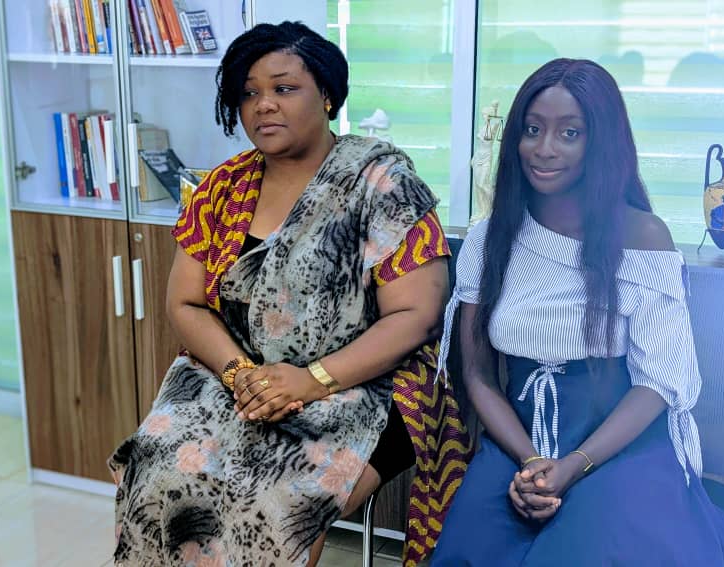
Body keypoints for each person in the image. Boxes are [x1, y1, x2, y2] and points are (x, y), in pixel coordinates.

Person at [108, 21, 471, 567]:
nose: (263, 105)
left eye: (284, 88)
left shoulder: (382, 183)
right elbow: (185, 302)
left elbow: (416, 316)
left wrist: (309, 379)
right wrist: (240, 375)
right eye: (248, 93)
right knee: (161, 470)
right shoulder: (222, 188)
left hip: (365, 384)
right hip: (236, 376)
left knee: (270, 498)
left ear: (326, 95)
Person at [430, 59, 724, 566]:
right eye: (532, 130)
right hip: (519, 439)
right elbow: (479, 375)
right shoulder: (489, 239)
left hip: (622, 442)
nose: (544, 148)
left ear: (601, 143)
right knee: (469, 548)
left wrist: (573, 465)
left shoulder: (642, 237)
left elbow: (657, 382)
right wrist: (532, 461)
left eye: (569, 133)